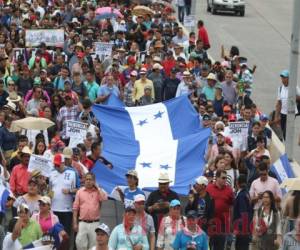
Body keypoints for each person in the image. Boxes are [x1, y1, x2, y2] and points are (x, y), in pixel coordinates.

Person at [73, 172, 108, 250]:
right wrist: (75, 223)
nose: (88, 181)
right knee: (80, 243)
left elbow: (105, 199)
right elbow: (75, 208)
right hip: (82, 222)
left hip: (95, 223)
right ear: (84, 180)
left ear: (94, 181)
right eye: (87, 179)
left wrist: (98, 188)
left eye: (90, 179)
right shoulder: (80, 192)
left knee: (93, 245)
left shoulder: (98, 192)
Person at [49, 153, 79, 235]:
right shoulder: (51, 173)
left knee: (66, 235)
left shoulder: (73, 173)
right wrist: (49, 195)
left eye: (58, 165)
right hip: (54, 209)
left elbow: (78, 190)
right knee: (54, 234)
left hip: (67, 210)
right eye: (55, 165)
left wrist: (69, 191)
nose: (56, 167)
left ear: (63, 163)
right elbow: (50, 189)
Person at [206, 170, 234, 250]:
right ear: (217, 178)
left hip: (222, 223)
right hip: (210, 222)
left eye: (226, 178)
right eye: (223, 178)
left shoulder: (229, 190)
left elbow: (231, 206)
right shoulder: (209, 188)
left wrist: (231, 221)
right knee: (209, 245)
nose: (225, 180)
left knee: (220, 245)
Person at [275, 69, 300, 139]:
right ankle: (286, 144)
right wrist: (276, 117)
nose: (283, 79)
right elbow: (279, 103)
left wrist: (293, 96)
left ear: (289, 78)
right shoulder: (280, 88)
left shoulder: (294, 87)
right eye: (282, 78)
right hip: (283, 113)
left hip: (292, 112)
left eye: (284, 78)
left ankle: (288, 145)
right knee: (283, 130)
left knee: (287, 130)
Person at [233, 174, 252, 250]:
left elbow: (243, 213)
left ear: (237, 182)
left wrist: (239, 228)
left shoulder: (241, 195)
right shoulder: (246, 193)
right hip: (246, 227)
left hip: (242, 228)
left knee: (241, 247)